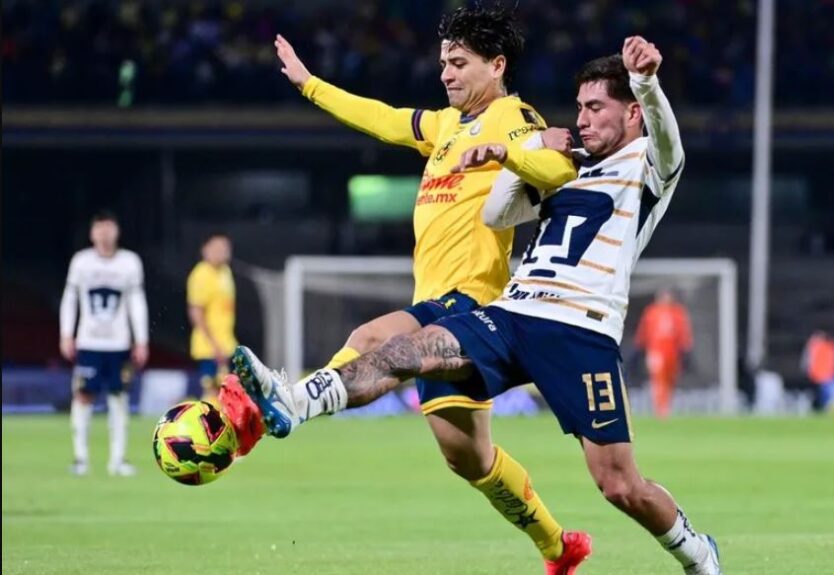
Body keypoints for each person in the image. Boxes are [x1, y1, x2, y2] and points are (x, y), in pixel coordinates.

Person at [231, 37, 721, 574]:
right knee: (408, 350)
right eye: (579, 107)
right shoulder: (565, 165)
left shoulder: (649, 165)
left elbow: (667, 135)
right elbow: (497, 216)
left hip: (580, 331)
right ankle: (295, 402)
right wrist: (516, 160)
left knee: (619, 484)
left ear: (630, 113)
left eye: (596, 107)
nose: (582, 119)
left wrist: (646, 81)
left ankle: (696, 553)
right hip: (513, 313)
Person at [219, 6, 585, 572]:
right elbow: (383, 118)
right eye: (443, 63)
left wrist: (509, 153)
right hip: (435, 304)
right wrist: (310, 84)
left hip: (472, 304)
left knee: (373, 338)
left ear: (497, 65)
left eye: (459, 63)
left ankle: (285, 404)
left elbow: (560, 170)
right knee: (470, 460)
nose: (446, 73)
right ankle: (559, 547)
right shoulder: (444, 126)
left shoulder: (513, 116)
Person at [59, 211, 149, 477]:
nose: (104, 233)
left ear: (117, 231)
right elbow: (70, 298)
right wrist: (66, 334)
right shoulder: (82, 261)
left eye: (109, 228)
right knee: (83, 395)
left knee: (119, 398)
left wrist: (141, 340)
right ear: (92, 233)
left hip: (119, 343)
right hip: (89, 342)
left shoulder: (130, 262)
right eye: (99, 228)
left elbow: (136, 302)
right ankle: (81, 459)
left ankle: (118, 460)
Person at [187, 234, 236, 406]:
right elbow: (196, 312)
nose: (221, 252)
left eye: (224, 248)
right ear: (205, 250)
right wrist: (214, 345)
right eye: (216, 248)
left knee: (228, 393)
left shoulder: (225, 272)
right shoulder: (201, 274)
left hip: (227, 344)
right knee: (211, 391)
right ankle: (206, 422)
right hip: (209, 347)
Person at [635, 288, 693, 418]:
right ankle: (660, 408)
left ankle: (666, 405)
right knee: (658, 379)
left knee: (670, 380)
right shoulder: (651, 312)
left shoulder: (678, 312)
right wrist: (640, 347)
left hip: (673, 353)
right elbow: (643, 331)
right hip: (656, 351)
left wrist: (686, 349)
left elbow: (683, 332)